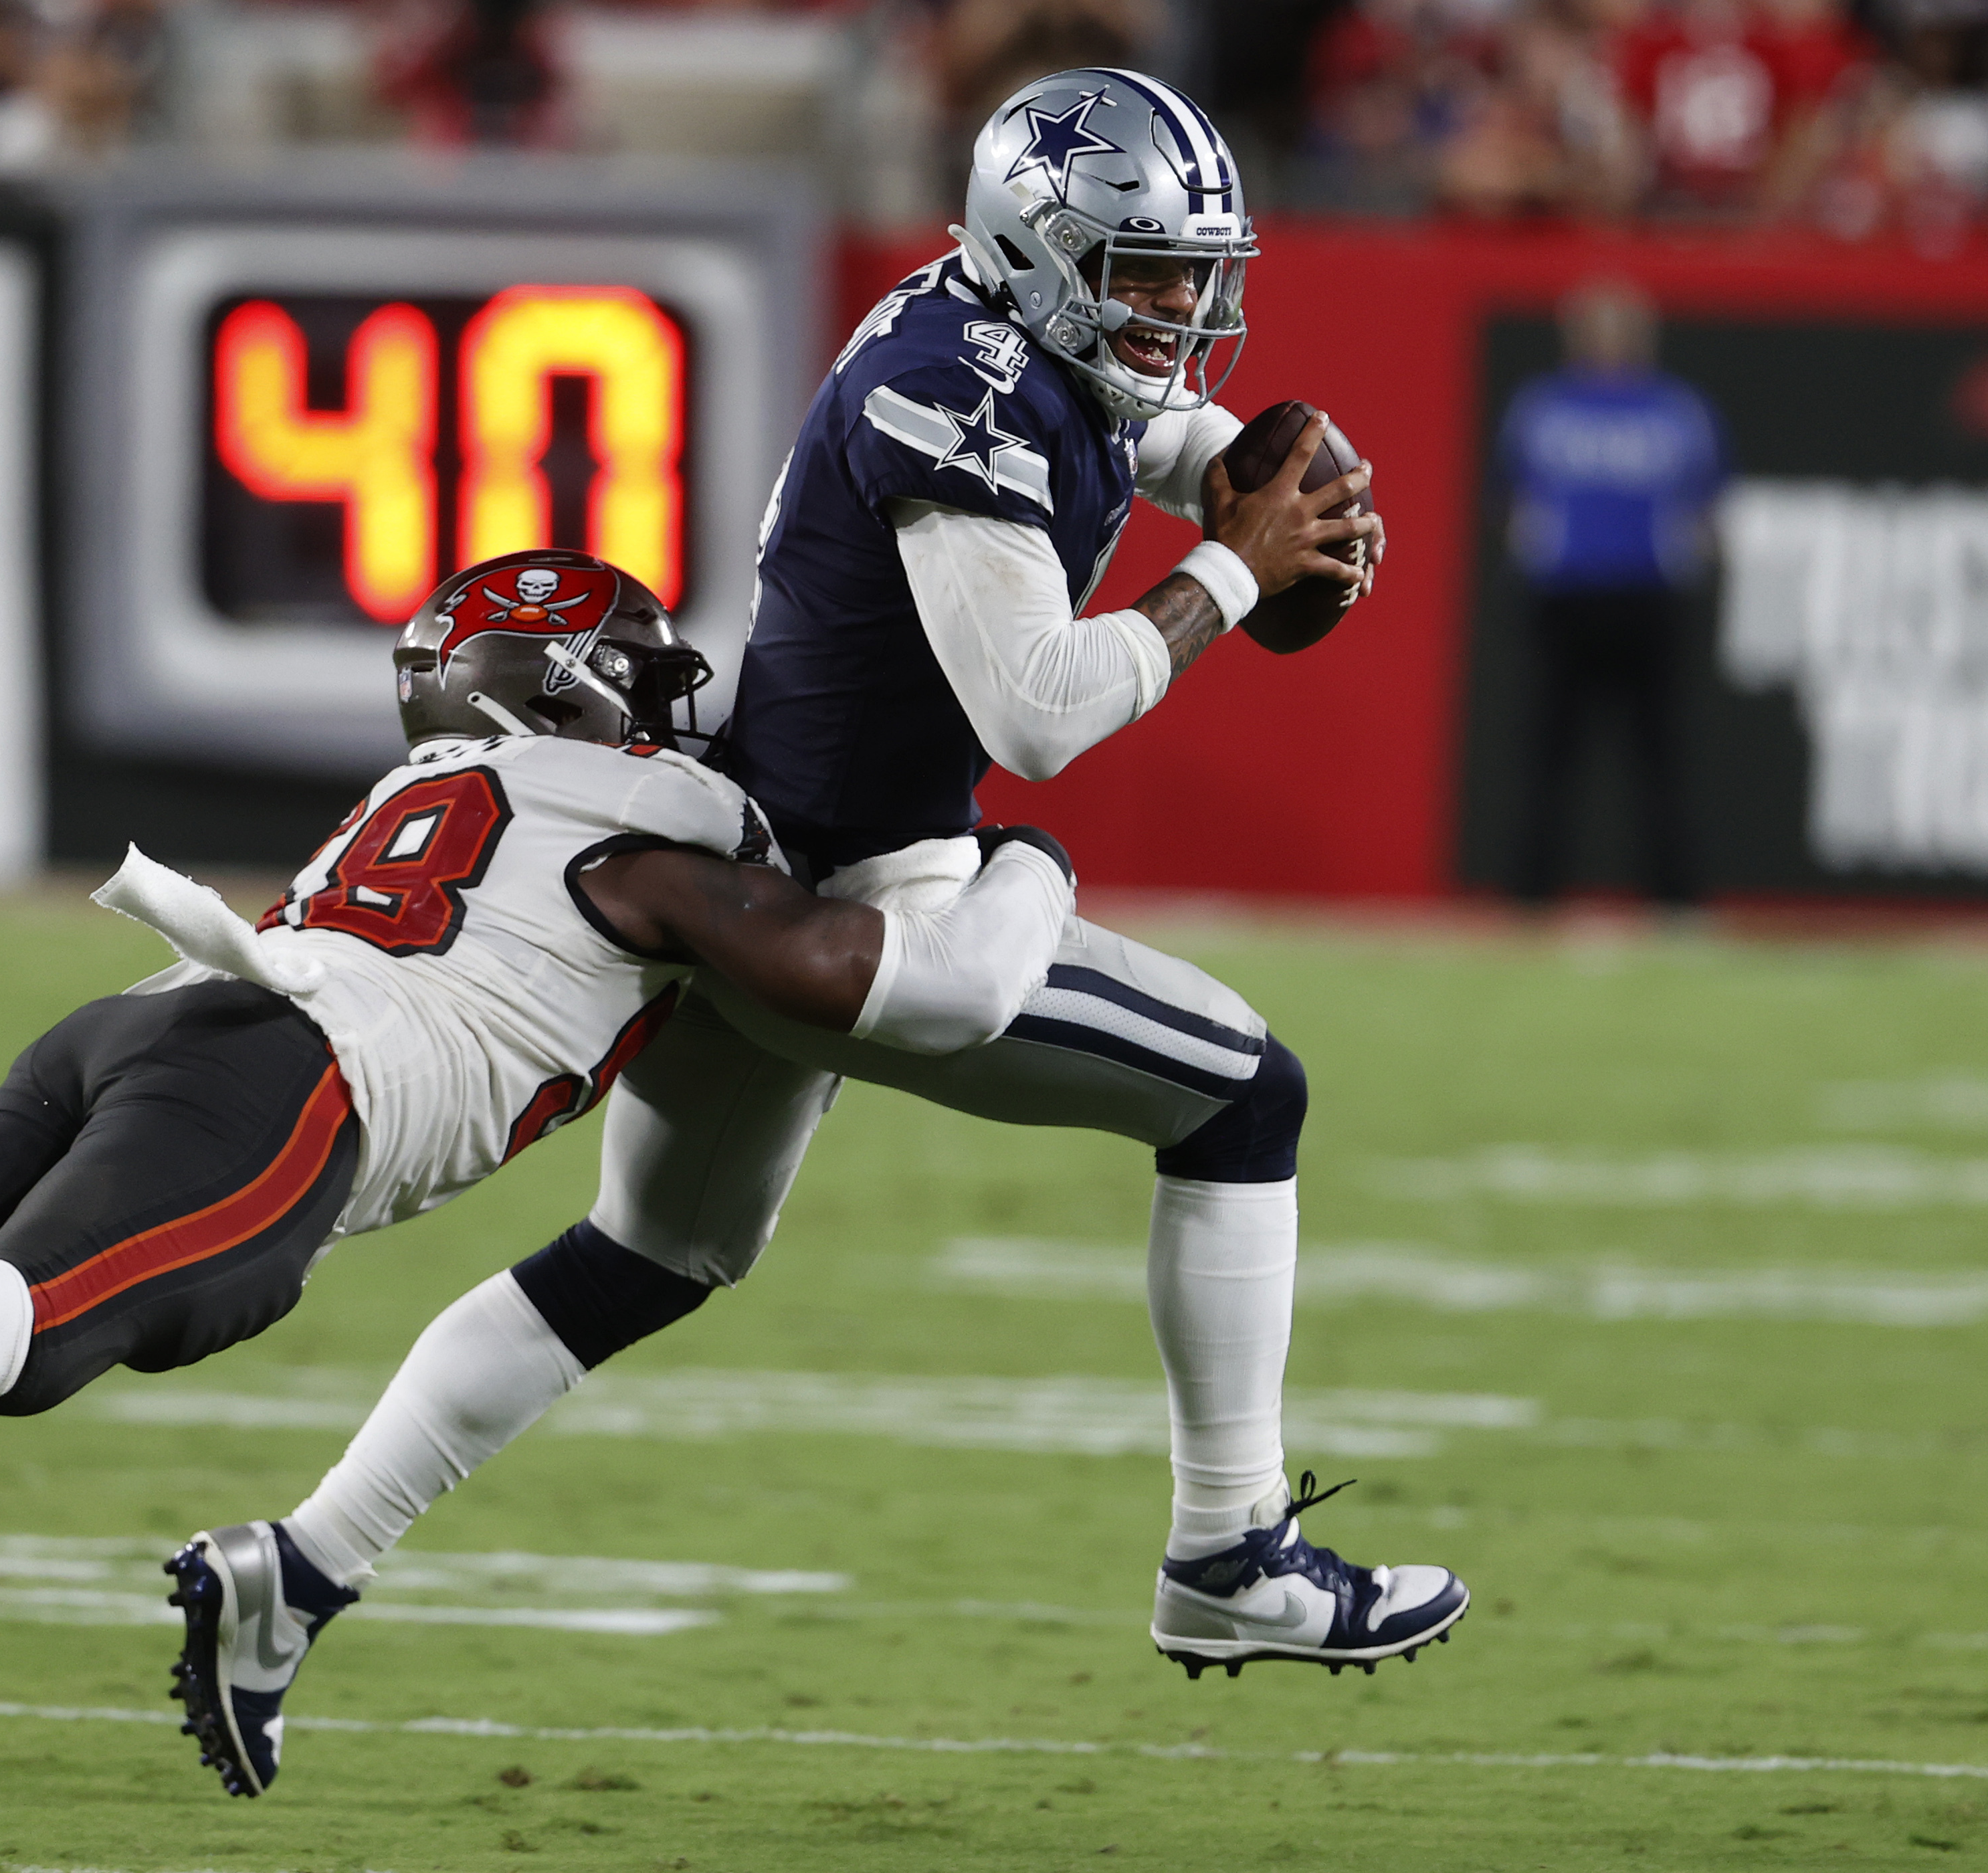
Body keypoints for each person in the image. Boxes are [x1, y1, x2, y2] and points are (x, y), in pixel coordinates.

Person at [183, 67, 1472, 1795]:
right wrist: (1233, 568)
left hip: (768, 869)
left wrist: (1240, 481)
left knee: (643, 1261)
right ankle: (1228, 1550)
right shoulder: (956, 395)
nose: (1185, 311)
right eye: (1149, 274)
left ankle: (301, 1567)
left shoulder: (988, 335)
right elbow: (1039, 714)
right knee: (1247, 1093)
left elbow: (1123, 433)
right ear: (1041, 249)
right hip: (867, 911)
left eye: (1197, 276)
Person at [0, 547, 1078, 1710]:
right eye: (635, 680)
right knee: (30, 1339)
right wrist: (1021, 862)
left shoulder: (437, 786)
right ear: (567, 690)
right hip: (303, 1085)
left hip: (157, 1026)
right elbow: (855, 972)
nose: (669, 711)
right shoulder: (651, 833)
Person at [1500, 275, 1724, 907]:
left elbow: (1704, 511)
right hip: (1566, 597)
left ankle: (1675, 898)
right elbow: (1515, 501)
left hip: (1647, 597)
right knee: (1552, 753)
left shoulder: (1677, 411)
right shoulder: (1543, 407)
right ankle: (1533, 895)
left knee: (1658, 756)